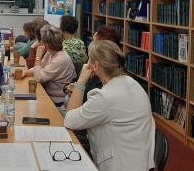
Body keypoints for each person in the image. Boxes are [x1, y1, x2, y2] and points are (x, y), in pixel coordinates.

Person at [64, 40, 155, 171]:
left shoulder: (105, 97)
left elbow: (70, 120)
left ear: (95, 66)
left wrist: (81, 81)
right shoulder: (133, 83)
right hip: (140, 162)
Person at [22, 25, 76, 107]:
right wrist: (26, 73)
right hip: (49, 95)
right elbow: (40, 68)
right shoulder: (51, 51)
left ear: (46, 44)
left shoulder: (60, 59)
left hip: (58, 101)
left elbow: (38, 78)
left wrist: (38, 57)